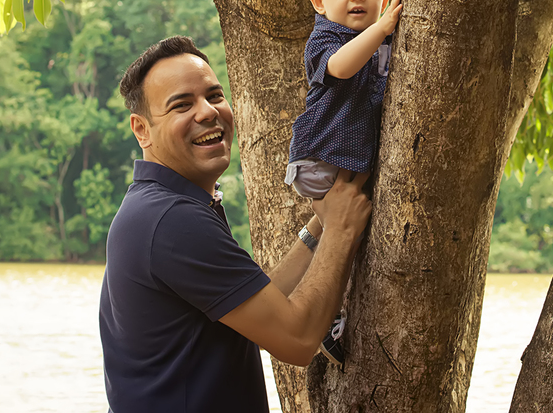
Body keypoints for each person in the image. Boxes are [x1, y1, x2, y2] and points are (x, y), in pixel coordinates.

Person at [99, 36, 370, 413]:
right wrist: (342, 230)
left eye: (214, 95)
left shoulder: (156, 205)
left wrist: (320, 227)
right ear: (141, 129)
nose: (207, 112)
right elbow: (297, 339)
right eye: (181, 105)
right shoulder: (172, 220)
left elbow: (249, 311)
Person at [283, 0, 402, 363]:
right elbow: (340, 67)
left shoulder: (380, 38)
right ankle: (325, 320)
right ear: (318, 1)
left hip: (350, 159)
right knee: (344, 239)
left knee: (355, 238)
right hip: (320, 159)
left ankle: (326, 312)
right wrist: (381, 28)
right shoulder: (325, 38)